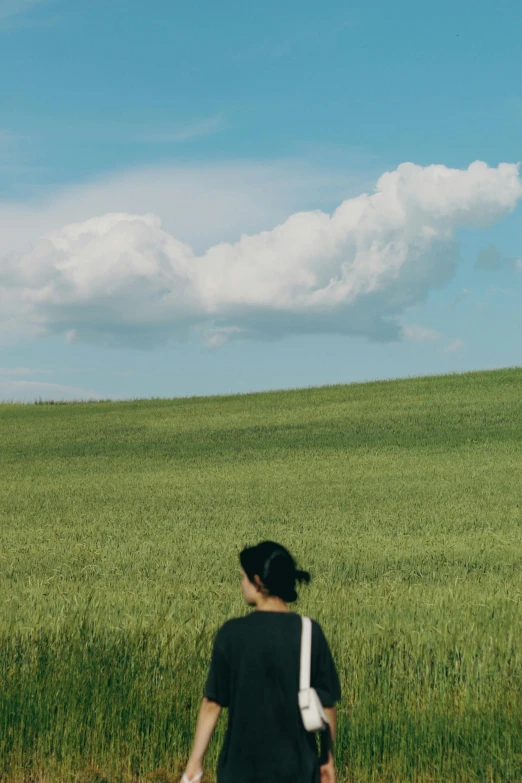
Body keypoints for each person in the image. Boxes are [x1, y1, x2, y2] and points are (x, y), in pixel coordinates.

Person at [180, 541, 341, 783]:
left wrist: (195, 762)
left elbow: (212, 704)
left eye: (243, 577)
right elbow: (327, 704)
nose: (241, 583)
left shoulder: (232, 634)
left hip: (241, 768)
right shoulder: (309, 632)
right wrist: (327, 758)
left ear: (257, 581)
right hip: (296, 769)